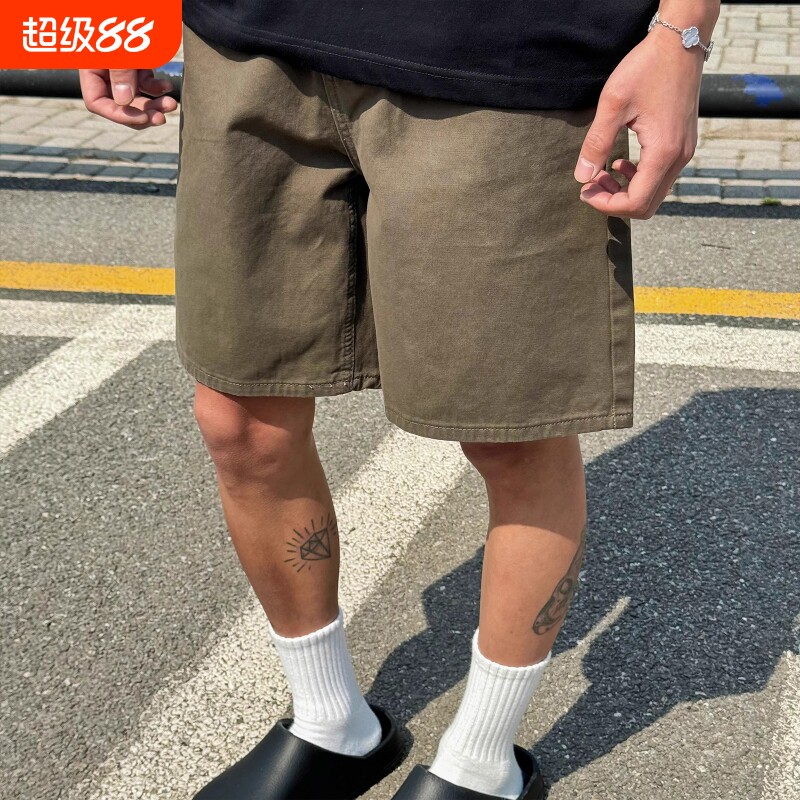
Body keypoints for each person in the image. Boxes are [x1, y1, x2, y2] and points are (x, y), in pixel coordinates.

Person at [79, 1, 718, 797]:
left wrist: (683, 35)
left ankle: (482, 761)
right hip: (244, 39)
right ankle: (331, 723)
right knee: (239, 417)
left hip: (504, 54)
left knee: (513, 430)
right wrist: (101, 15)